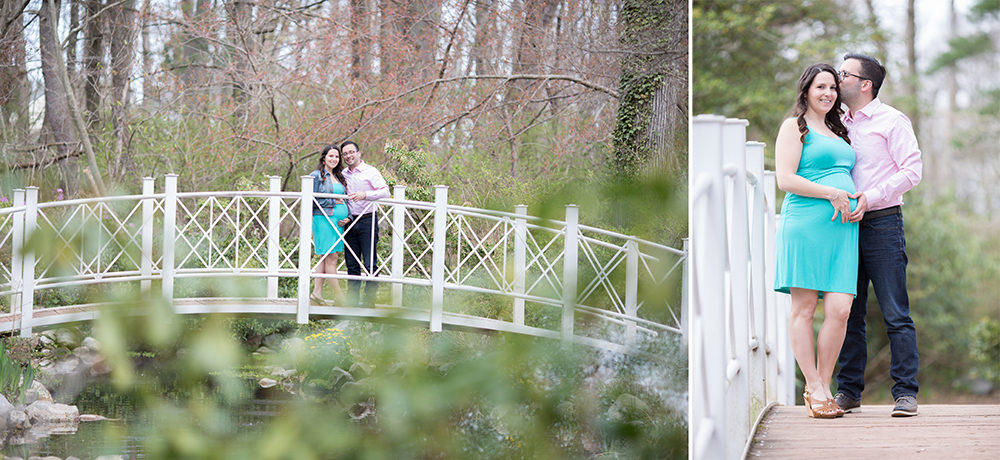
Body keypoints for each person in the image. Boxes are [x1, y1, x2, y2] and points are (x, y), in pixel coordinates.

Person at [835, 53, 922, 417]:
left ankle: (905, 394)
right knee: (846, 313)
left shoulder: (892, 121)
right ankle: (848, 392)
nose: (837, 79)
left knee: (895, 313)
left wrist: (870, 197)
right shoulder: (836, 122)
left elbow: (913, 170)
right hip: (842, 227)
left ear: (864, 84)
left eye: (844, 74)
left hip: (883, 222)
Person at [774, 63, 858, 419]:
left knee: (840, 310)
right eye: (820, 87)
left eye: (833, 88)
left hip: (842, 229)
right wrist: (833, 193)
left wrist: (857, 202)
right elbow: (785, 179)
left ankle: (823, 383)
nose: (828, 93)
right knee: (805, 308)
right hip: (806, 224)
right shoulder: (794, 127)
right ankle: (814, 386)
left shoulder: (840, 131)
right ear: (806, 89)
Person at [337, 141, 390, 307]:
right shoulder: (343, 174)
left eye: (351, 152)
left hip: (368, 219)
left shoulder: (370, 171)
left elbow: (385, 191)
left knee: (369, 263)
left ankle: (369, 302)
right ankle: (352, 301)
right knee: (351, 263)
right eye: (345, 154)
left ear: (359, 153)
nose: (348, 156)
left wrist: (365, 194)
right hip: (350, 221)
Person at [310, 144, 349, 305]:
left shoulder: (340, 177)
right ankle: (340, 296)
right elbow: (311, 199)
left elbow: (347, 200)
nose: (334, 159)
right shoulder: (316, 176)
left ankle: (316, 293)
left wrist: (349, 217)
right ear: (324, 158)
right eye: (331, 156)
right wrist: (333, 201)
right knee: (330, 257)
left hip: (339, 222)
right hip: (323, 219)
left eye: (337, 156)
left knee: (326, 257)